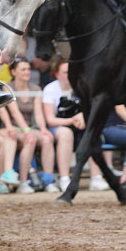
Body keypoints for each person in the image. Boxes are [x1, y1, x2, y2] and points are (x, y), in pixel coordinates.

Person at [0, 57, 57, 193]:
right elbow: (15, 112)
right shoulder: (8, 87)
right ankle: (24, 182)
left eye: (28, 69)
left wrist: (43, 129)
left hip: (29, 128)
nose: (27, 72)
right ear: (13, 72)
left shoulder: (35, 88)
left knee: (47, 139)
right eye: (23, 69)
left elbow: (39, 114)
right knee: (30, 139)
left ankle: (48, 180)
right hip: (14, 128)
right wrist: (26, 130)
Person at [41, 60, 91, 192]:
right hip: (57, 126)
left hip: (79, 125)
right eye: (65, 72)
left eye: (72, 72)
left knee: (92, 132)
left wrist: (83, 116)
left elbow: (90, 110)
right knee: (65, 133)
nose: (69, 75)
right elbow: (50, 120)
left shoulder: (81, 86)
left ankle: (97, 177)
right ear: (57, 74)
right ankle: (64, 178)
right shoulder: (50, 89)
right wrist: (72, 120)